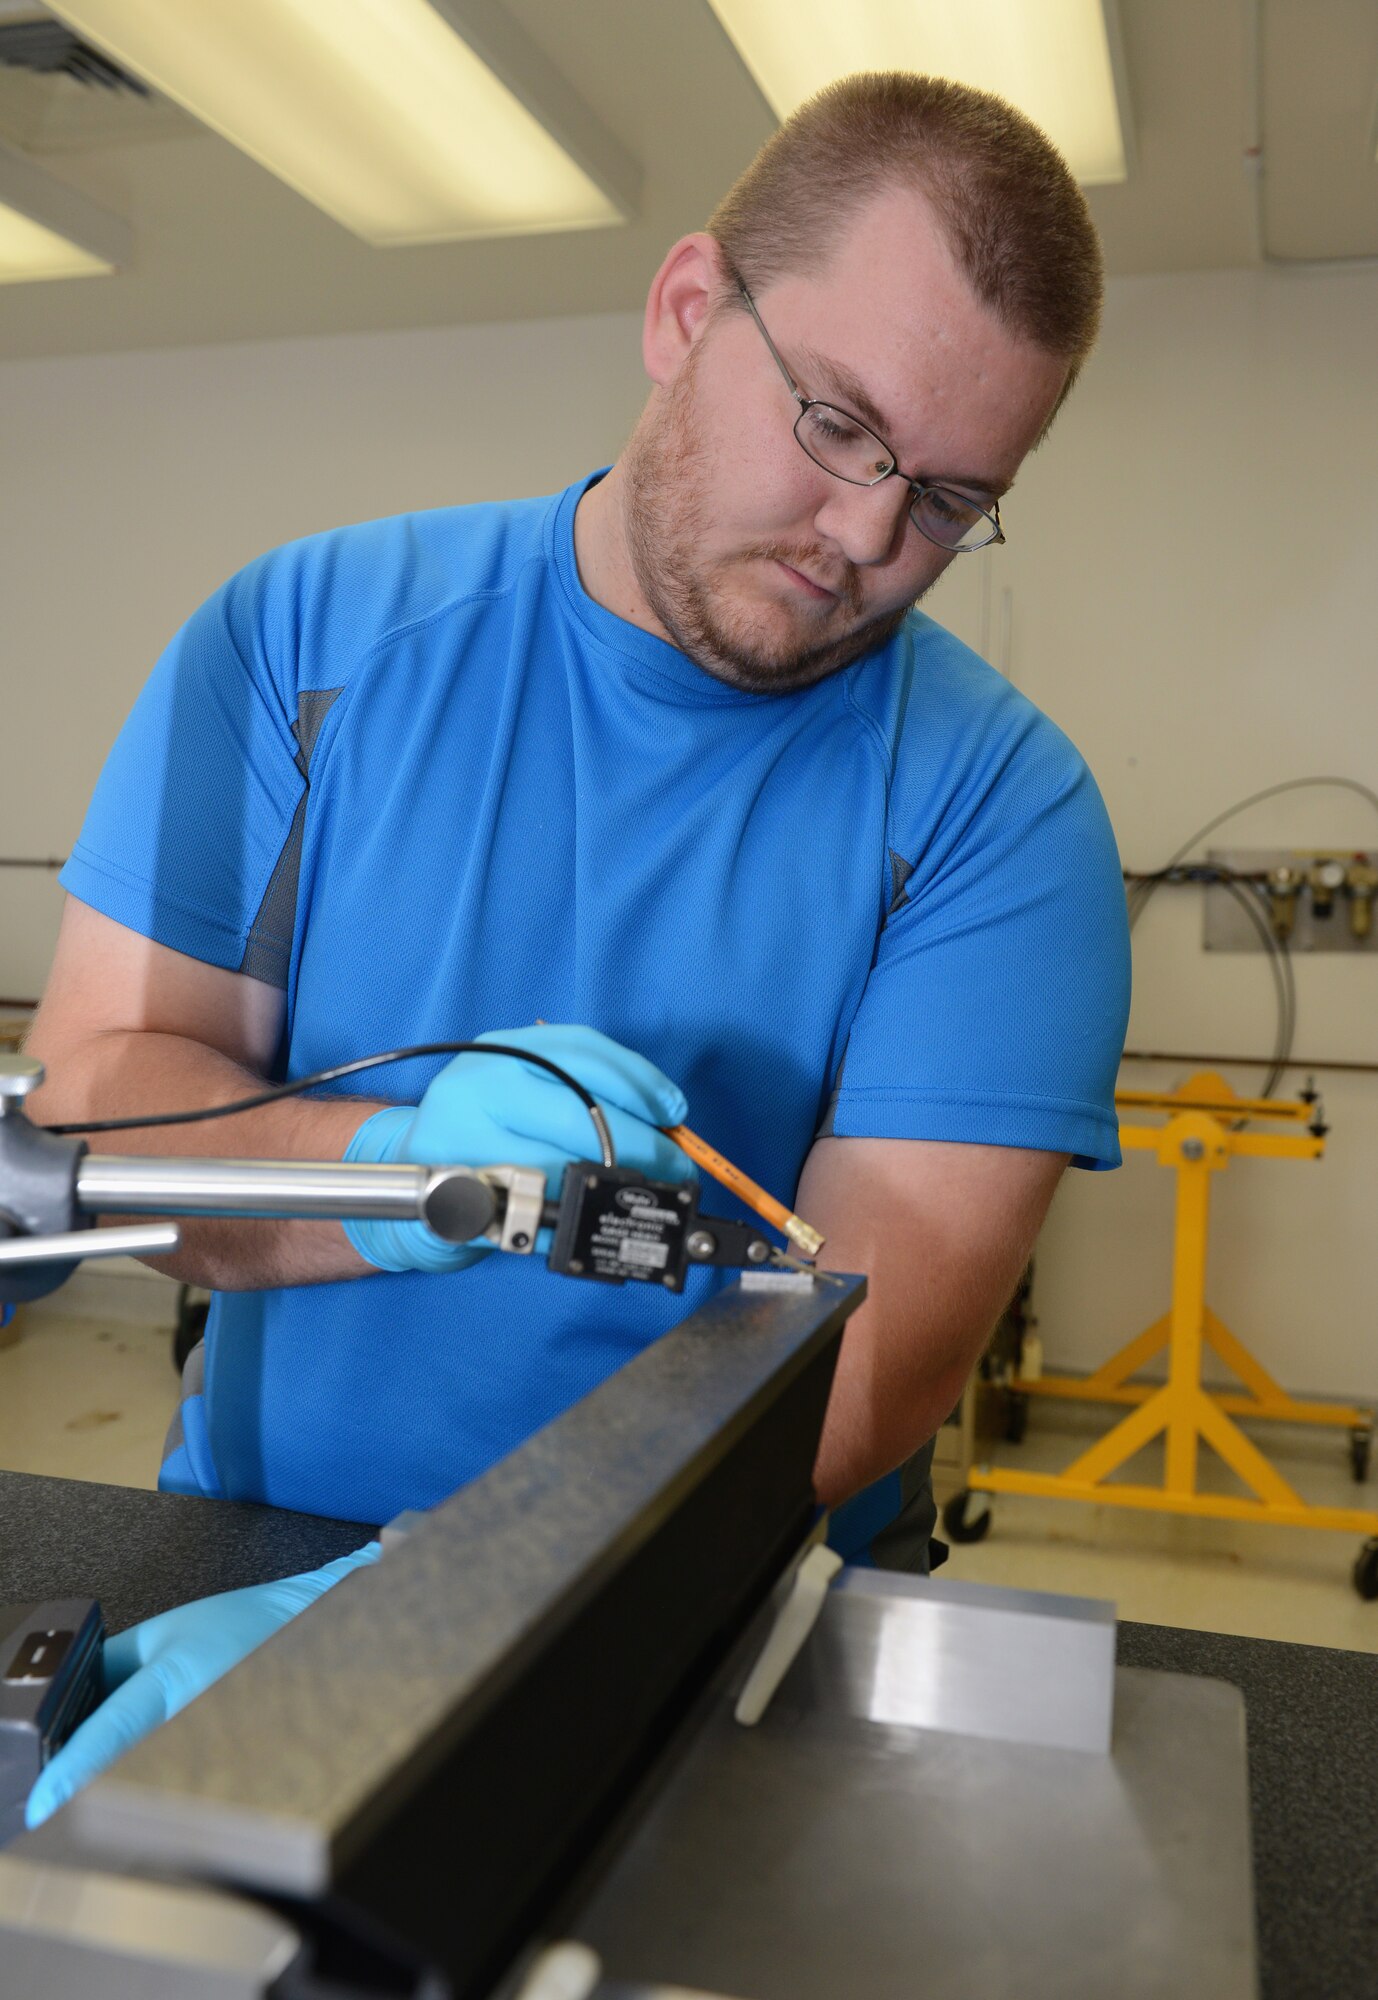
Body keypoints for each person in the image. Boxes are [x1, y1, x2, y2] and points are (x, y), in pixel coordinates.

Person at [24, 72, 1129, 1819]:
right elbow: (95, 1103)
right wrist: (387, 1172)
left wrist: (439, 1606)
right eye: (839, 426)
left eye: (944, 499)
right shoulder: (301, 646)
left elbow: (865, 1353)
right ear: (687, 311)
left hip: (726, 1618)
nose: (864, 538)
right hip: (248, 1557)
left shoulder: (1003, 810)